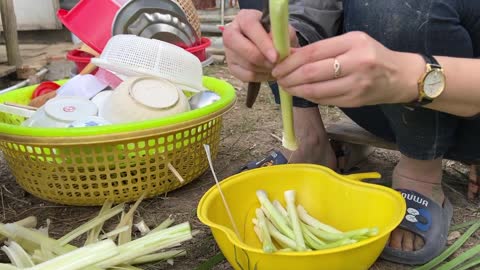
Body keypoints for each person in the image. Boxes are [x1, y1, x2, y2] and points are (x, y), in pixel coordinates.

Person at [224, 0, 480, 265]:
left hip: (462, 101)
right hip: (379, 91)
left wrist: (409, 75)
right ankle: (308, 141)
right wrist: (289, 33)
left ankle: (421, 173)